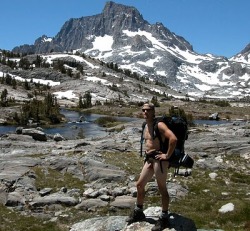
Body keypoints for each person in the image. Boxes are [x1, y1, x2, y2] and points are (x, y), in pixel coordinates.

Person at [126, 103, 177, 231]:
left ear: (153, 111)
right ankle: (139, 211)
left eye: (148, 110)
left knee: (162, 188)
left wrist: (167, 155)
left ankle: (164, 217)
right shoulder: (145, 125)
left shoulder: (159, 124)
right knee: (139, 184)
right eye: (143, 110)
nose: (145, 112)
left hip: (160, 161)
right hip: (149, 159)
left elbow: (173, 139)